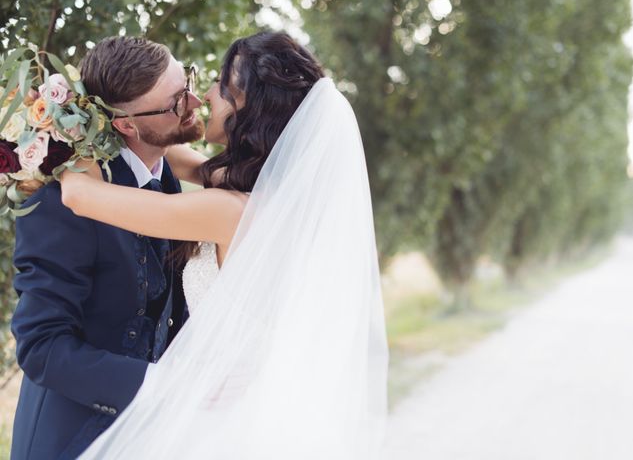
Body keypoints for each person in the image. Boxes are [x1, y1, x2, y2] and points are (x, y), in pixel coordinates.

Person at [62, 31, 388, 459]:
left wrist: (56, 129)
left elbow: (79, 196)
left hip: (219, 422)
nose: (206, 96)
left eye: (222, 87)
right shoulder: (274, 200)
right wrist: (127, 125)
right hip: (245, 413)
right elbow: (174, 158)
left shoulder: (229, 213)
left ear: (250, 114)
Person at [10, 36, 206, 459]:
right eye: (176, 102)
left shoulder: (167, 179)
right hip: (74, 442)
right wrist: (161, 386)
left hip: (153, 437)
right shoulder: (61, 203)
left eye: (186, 82)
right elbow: (41, 347)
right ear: (125, 125)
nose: (194, 102)